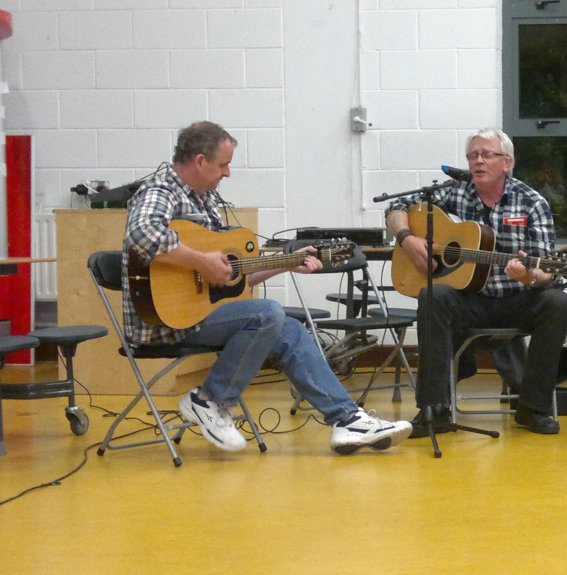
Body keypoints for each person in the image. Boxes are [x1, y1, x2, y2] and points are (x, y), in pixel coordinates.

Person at [122, 120, 412, 454]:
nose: (228, 173)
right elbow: (141, 233)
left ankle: (346, 420)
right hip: (163, 324)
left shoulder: (205, 200)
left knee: (289, 328)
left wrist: (285, 264)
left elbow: (232, 281)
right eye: (223, 164)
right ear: (200, 160)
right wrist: (202, 262)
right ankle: (209, 400)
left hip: (198, 317)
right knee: (267, 313)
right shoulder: (161, 190)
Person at [385, 128, 567, 436]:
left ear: (507, 163)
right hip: (470, 299)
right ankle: (435, 409)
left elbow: (545, 271)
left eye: (487, 154)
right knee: (433, 295)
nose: (479, 161)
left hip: (517, 300)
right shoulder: (455, 191)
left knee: (558, 303)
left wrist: (528, 274)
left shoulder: (532, 203)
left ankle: (533, 408)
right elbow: (396, 208)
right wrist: (407, 239)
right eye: (473, 155)